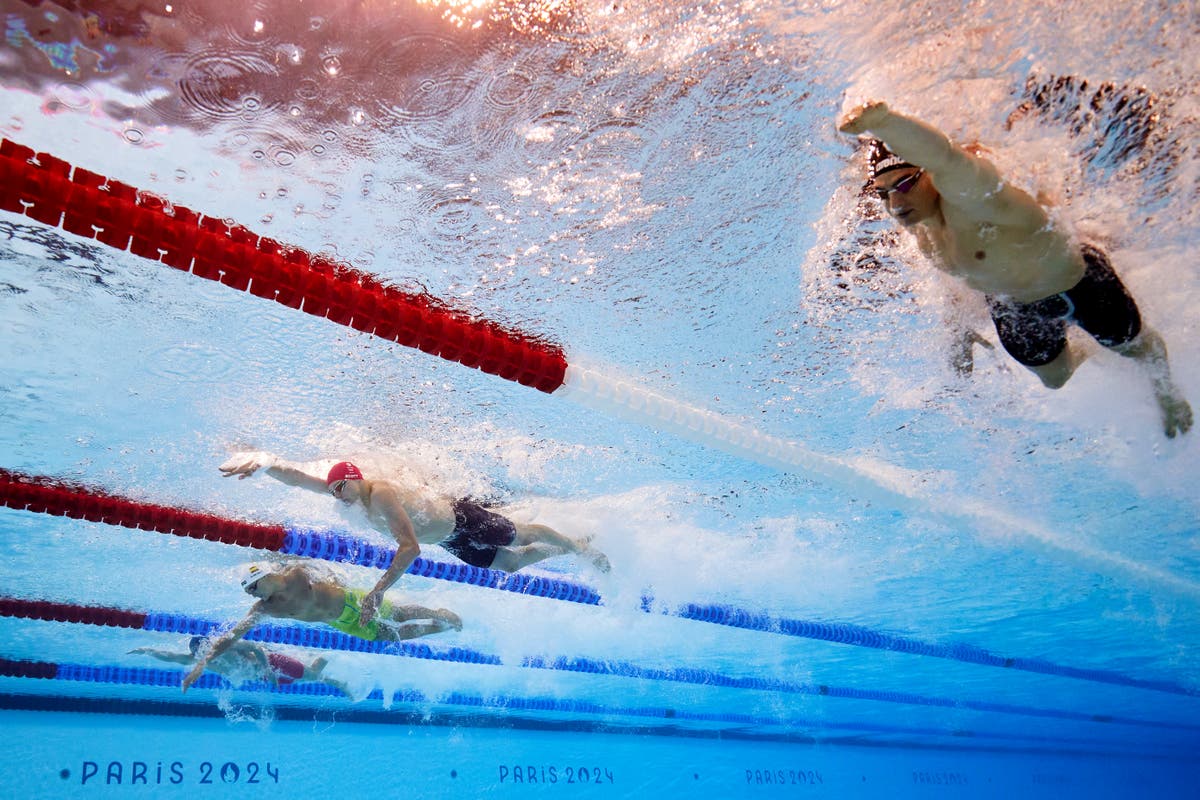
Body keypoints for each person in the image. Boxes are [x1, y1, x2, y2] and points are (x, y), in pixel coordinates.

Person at [837, 101, 1192, 438]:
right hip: (1013, 305)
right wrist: (958, 329)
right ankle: (1092, 349)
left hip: (1078, 285)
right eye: (883, 193)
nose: (895, 204)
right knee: (1055, 379)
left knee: (1138, 349)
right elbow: (958, 271)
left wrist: (884, 123)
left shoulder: (972, 197)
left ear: (927, 174)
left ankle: (1168, 394)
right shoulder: (921, 220)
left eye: (904, 184)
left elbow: (946, 157)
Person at [217, 452, 610, 629]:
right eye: (332, 489)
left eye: (340, 486)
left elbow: (410, 548)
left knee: (519, 534)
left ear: (357, 478)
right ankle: (570, 545)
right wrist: (266, 463)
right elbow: (300, 478)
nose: (335, 495)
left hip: (462, 519)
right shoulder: (350, 496)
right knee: (509, 564)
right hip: (450, 540)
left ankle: (579, 546)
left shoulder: (380, 493)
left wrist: (376, 592)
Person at [181, 562, 462, 692]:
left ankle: (437, 613)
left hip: (352, 603)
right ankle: (441, 627)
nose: (253, 595)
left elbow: (328, 572)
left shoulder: (296, 573)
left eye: (253, 588)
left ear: (265, 576)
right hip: (339, 621)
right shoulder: (265, 608)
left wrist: (351, 591)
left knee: (398, 614)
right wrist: (202, 663)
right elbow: (233, 636)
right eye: (249, 593)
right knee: (391, 637)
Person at [132, 636, 351, 696]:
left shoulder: (227, 645)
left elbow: (256, 648)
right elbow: (171, 657)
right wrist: (145, 651)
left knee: (310, 676)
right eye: (202, 653)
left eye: (208, 648)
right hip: (265, 676)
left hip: (271, 664)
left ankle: (338, 674)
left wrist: (267, 670)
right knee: (306, 676)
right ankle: (328, 657)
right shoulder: (203, 661)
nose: (208, 653)